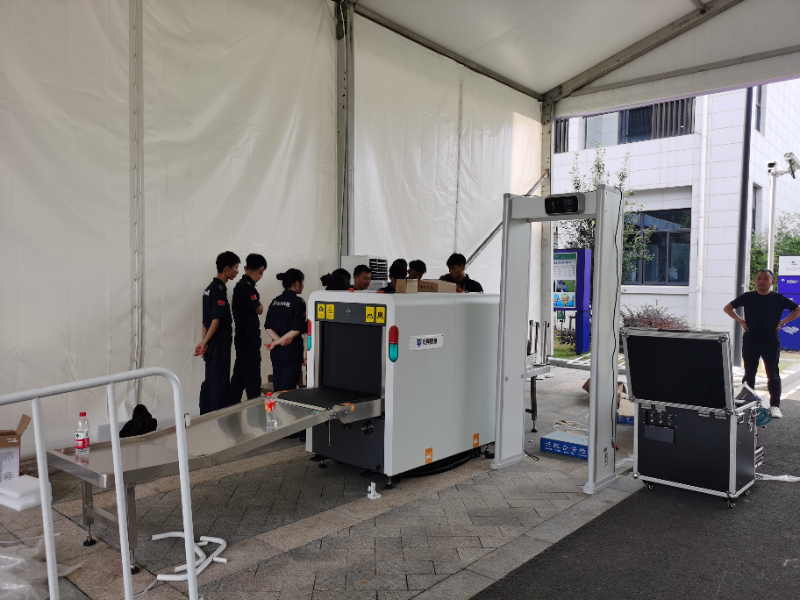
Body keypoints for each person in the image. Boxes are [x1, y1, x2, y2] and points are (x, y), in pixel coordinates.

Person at [724, 269, 800, 418]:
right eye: (759, 278)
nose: (761, 281)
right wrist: (741, 321)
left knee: (772, 374)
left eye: (765, 278)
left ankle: (774, 406)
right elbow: (728, 308)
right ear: (755, 281)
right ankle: (747, 404)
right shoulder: (748, 297)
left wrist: (783, 322)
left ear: (772, 282)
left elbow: (797, 309)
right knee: (749, 373)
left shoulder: (778, 298)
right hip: (751, 339)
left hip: (770, 340)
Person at [196, 251, 239, 414]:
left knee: (210, 381)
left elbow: (204, 322)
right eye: (235, 268)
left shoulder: (208, 289)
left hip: (211, 345)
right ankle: (217, 421)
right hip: (219, 344)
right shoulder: (219, 289)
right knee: (219, 385)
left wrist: (204, 343)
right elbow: (215, 323)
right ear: (226, 269)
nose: (237, 271)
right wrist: (204, 343)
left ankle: (204, 417)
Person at [230, 253, 267, 403]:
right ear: (262, 270)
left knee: (239, 377)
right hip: (248, 339)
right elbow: (259, 309)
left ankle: (230, 407)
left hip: (243, 338)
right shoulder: (247, 287)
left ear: (245, 268)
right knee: (252, 378)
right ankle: (256, 409)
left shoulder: (241, 286)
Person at [265, 269, 307, 391]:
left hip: (277, 352)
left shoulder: (275, 301)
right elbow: (296, 329)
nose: (303, 285)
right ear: (297, 283)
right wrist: (280, 342)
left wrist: (278, 341)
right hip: (291, 350)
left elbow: (268, 327)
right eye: (302, 282)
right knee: (287, 391)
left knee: (278, 388)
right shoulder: (298, 302)